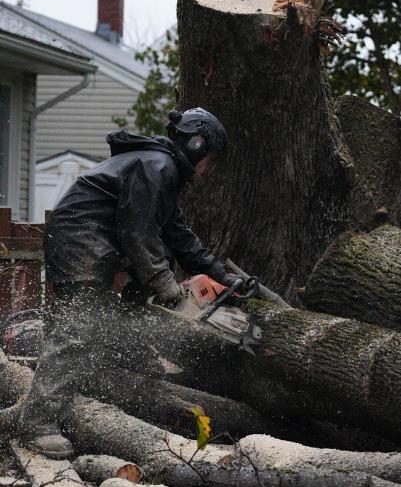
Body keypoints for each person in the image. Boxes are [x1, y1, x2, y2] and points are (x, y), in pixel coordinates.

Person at [19, 107, 239, 459]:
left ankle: (121, 371)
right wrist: (167, 286)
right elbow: (139, 233)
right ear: (198, 144)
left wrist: (224, 276)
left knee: (110, 319)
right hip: (82, 238)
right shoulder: (157, 167)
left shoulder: (159, 169)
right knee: (77, 329)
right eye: (209, 159)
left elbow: (178, 235)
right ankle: (37, 423)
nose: (208, 168)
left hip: (94, 239)